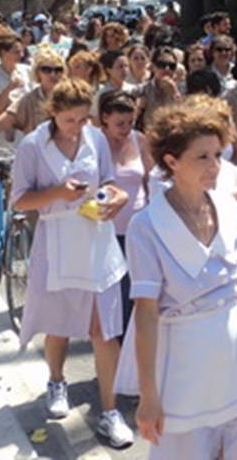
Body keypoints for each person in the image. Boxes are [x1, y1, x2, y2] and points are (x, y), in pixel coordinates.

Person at [120, 104, 237, 459]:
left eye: (217, 155)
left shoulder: (231, 209)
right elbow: (145, 313)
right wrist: (148, 395)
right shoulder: (145, 226)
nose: (214, 166)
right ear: (172, 161)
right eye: (202, 157)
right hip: (184, 368)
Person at [10, 78, 134, 447]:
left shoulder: (96, 139)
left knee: (104, 330)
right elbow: (20, 200)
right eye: (69, 120)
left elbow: (110, 182)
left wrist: (116, 198)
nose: (77, 127)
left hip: (96, 241)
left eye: (83, 119)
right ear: (53, 113)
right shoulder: (32, 145)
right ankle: (56, 381)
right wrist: (58, 193)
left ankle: (110, 412)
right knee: (58, 325)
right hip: (56, 242)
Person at [99, 90, 153, 332]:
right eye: (119, 124)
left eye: (130, 122)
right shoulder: (93, 143)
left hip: (138, 228)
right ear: (105, 118)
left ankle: (132, 345)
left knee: (137, 289)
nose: (126, 129)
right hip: (106, 229)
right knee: (114, 293)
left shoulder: (139, 140)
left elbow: (151, 179)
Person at [0, 46, 65, 142]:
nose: (53, 74)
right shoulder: (29, 100)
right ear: (37, 72)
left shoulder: (71, 97)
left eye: (58, 70)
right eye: (46, 70)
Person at [0, 31, 31, 145]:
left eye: (22, 51)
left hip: (27, 128)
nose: (21, 55)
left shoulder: (27, 70)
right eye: (16, 52)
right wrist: (9, 88)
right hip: (5, 133)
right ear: (4, 52)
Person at [137, 47, 181, 132]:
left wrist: (174, 93)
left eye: (172, 66)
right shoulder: (142, 90)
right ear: (153, 67)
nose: (167, 69)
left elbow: (184, 116)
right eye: (162, 65)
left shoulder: (181, 89)